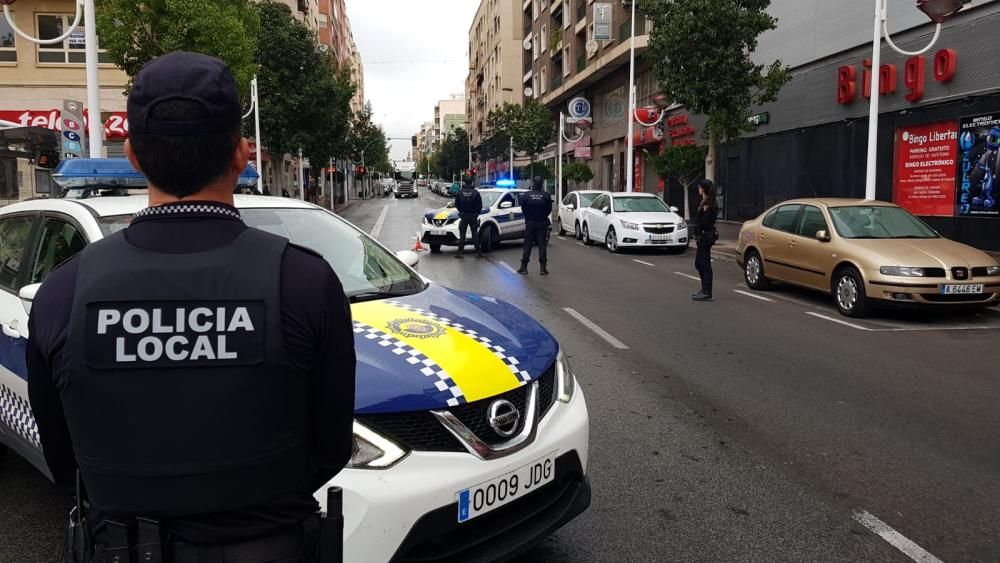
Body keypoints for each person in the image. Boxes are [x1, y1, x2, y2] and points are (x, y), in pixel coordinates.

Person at [26, 52, 356, 562]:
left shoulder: (61, 293)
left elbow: (65, 462)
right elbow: (331, 448)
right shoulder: (304, 282)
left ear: (132, 154)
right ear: (242, 154)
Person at [518, 176, 552, 276]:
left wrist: (528, 216)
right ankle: (542, 268)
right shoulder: (546, 195)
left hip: (530, 223)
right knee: (542, 245)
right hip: (542, 222)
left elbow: (523, 208)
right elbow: (548, 209)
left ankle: (524, 267)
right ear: (541, 184)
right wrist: (542, 216)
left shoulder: (527, 195)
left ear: (533, 184)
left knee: (527, 245)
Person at [692, 179, 719, 301]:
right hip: (702, 237)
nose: (698, 189)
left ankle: (707, 291)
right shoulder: (704, 202)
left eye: (699, 187)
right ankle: (704, 289)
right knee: (699, 263)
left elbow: (705, 222)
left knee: (704, 264)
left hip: (705, 237)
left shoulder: (708, 204)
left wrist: (698, 229)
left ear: (703, 189)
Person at [454, 177, 483, 259]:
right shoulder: (475, 193)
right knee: (475, 234)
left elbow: (457, 203)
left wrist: (461, 211)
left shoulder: (460, 192)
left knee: (462, 234)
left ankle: (460, 253)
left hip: (464, 215)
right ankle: (478, 252)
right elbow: (480, 205)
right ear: (471, 183)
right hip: (473, 215)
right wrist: (476, 213)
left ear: (464, 182)